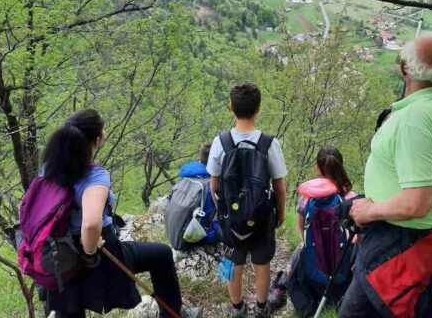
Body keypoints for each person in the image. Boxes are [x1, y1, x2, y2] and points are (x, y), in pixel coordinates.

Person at [340, 32, 432, 318]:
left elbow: (416, 203)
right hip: (430, 235)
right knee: (418, 304)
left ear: (404, 68)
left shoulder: (416, 121)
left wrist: (368, 211)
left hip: (400, 238)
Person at [42, 109, 201, 318]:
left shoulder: (49, 169)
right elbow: (91, 224)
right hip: (98, 253)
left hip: (58, 253)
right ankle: (173, 313)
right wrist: (89, 250)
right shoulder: (94, 176)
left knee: (69, 302)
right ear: (97, 140)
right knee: (161, 255)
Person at [207, 83, 288, 318]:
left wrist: (222, 212)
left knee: (230, 262)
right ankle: (261, 308)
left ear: (231, 107)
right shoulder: (269, 143)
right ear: (258, 109)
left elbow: (214, 184)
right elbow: (279, 186)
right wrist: (280, 213)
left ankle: (236, 308)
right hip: (261, 215)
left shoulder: (220, 141)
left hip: (230, 217)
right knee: (262, 263)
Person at [267, 146, 356, 316]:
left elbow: (303, 230)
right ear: (341, 166)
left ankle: (280, 287)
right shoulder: (351, 197)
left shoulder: (308, 198)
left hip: (315, 268)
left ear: (317, 169)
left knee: (304, 245)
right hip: (344, 265)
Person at [177, 142, 220, 246]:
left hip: (179, 229)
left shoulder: (186, 174)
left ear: (200, 157)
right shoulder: (213, 183)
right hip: (203, 236)